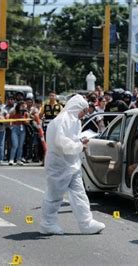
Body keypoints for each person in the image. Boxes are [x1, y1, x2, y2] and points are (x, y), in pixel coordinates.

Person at [40, 95, 105, 235]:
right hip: (59, 165)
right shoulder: (63, 120)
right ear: (77, 107)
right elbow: (61, 143)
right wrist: (79, 146)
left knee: (80, 194)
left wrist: (80, 142)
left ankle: (86, 223)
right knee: (54, 196)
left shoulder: (74, 120)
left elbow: (71, 140)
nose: (85, 114)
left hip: (71, 164)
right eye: (84, 110)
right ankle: (47, 224)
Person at [8, 101, 29, 166]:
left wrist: (24, 119)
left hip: (22, 128)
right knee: (15, 145)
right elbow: (10, 119)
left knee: (20, 145)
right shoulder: (14, 112)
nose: (23, 107)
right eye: (22, 106)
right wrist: (11, 126)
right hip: (15, 128)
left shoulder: (26, 113)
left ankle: (18, 159)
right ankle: (11, 159)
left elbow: (27, 122)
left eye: (24, 106)